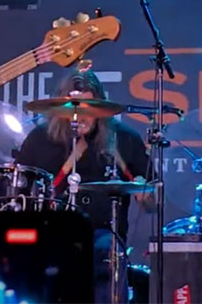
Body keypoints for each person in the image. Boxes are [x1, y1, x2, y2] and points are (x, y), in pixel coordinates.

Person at [15, 69, 154, 303]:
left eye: (89, 108)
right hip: (51, 231)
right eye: (73, 107)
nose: (81, 116)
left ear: (100, 109)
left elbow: (152, 203)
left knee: (104, 250)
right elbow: (21, 194)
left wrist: (145, 195)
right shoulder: (39, 139)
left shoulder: (124, 139)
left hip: (103, 234)